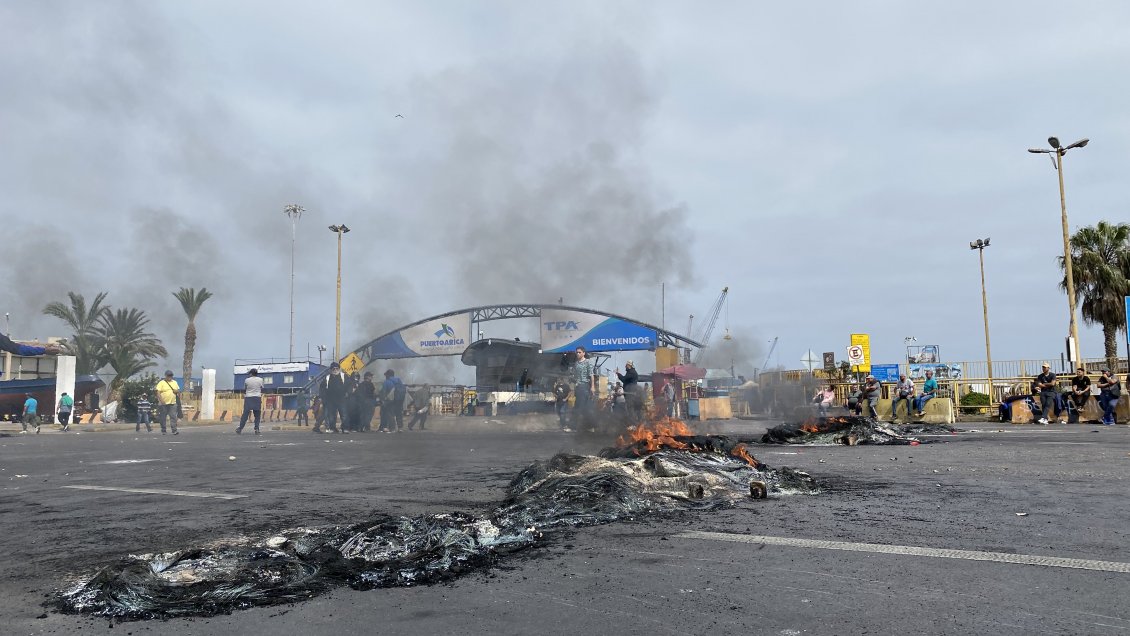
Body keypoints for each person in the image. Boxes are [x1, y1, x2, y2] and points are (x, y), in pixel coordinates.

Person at [316, 362, 347, 434]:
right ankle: (332, 428)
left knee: (344, 414)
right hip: (330, 400)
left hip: (341, 399)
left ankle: (344, 428)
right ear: (331, 370)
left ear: (339, 369)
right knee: (331, 415)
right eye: (333, 369)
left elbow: (349, 385)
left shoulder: (344, 376)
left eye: (337, 368)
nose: (335, 370)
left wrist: (347, 393)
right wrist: (322, 397)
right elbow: (322, 388)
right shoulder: (327, 378)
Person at [571, 346, 595, 429]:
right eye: (577, 352)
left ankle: (581, 426)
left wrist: (592, 387)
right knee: (578, 405)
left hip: (585, 386)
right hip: (578, 387)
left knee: (582, 406)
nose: (578, 354)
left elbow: (591, 375)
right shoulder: (576, 363)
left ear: (584, 353)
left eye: (579, 352)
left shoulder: (588, 362)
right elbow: (575, 375)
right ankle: (581, 426)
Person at [237, 368, 264, 435]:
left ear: (251, 373)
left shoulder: (247, 380)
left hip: (248, 398)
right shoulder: (260, 379)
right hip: (257, 397)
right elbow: (262, 387)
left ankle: (240, 428)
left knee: (245, 414)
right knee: (257, 414)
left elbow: (245, 389)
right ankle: (257, 429)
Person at [155, 370, 180, 435]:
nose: (170, 377)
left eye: (171, 375)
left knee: (173, 417)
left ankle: (174, 430)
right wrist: (161, 400)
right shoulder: (161, 383)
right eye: (168, 375)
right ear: (166, 376)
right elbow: (158, 392)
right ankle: (163, 430)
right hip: (163, 403)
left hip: (172, 403)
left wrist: (176, 391)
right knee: (163, 417)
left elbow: (178, 391)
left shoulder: (175, 382)